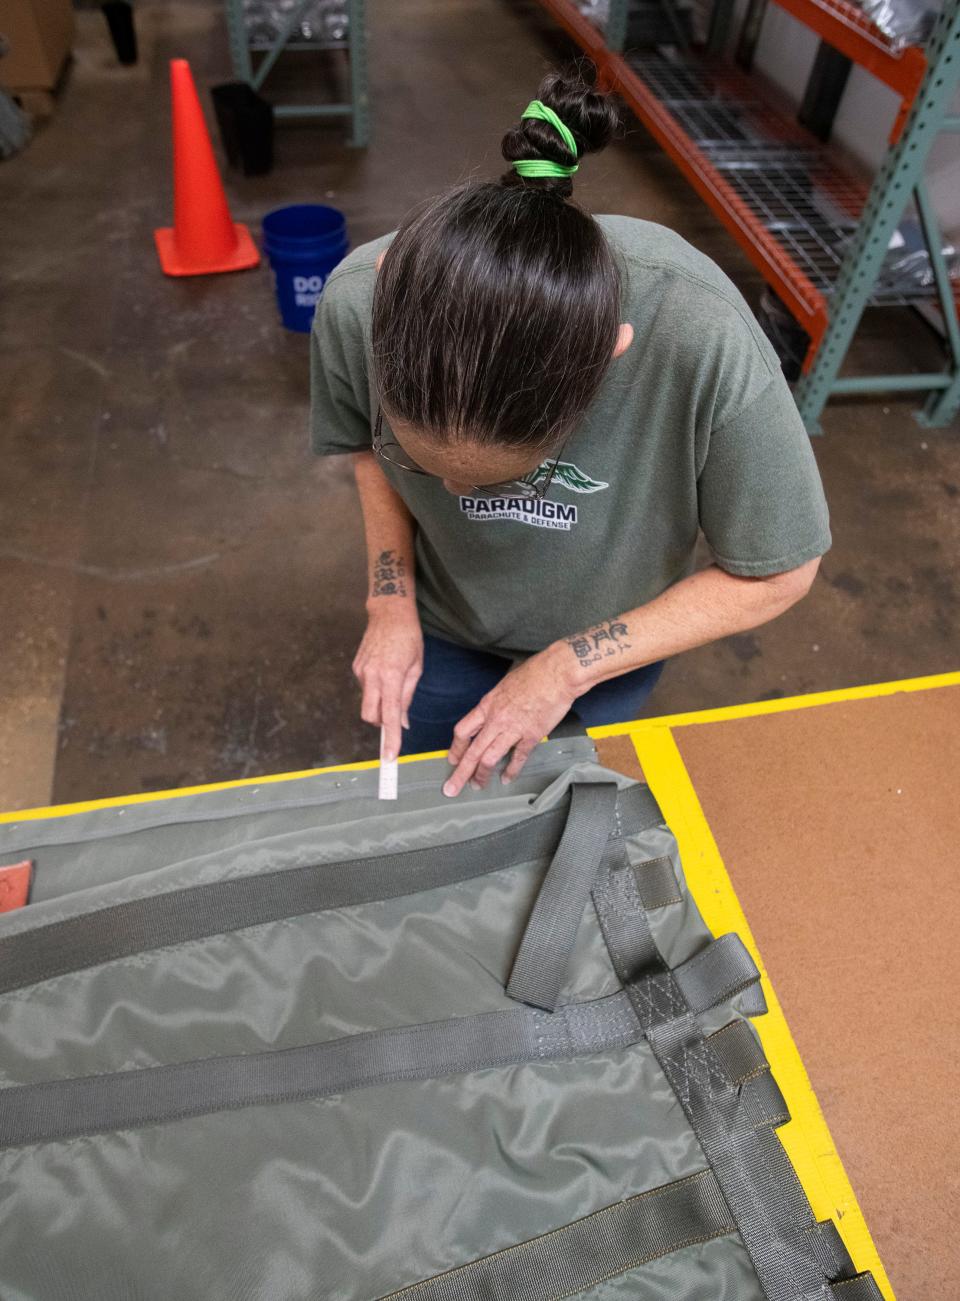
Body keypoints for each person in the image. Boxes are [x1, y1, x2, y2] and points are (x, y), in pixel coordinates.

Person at [309, 67, 830, 799]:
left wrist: (569, 665)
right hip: (443, 618)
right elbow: (365, 446)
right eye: (425, 465)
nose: (450, 495)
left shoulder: (697, 332)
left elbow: (780, 569)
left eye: (490, 474)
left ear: (608, 359)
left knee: (556, 806)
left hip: (608, 638)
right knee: (430, 794)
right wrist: (389, 598)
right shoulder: (357, 303)